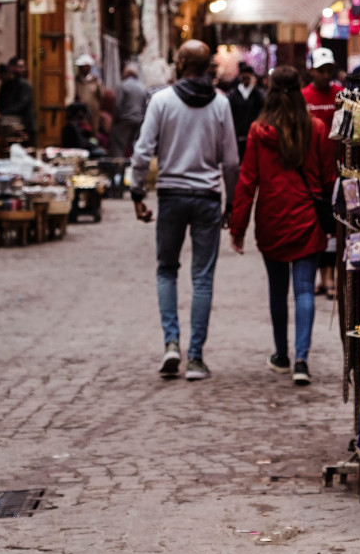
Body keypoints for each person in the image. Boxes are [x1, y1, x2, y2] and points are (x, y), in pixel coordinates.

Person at [130, 40, 239, 382]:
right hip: (207, 197)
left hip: (172, 196)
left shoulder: (161, 101)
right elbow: (232, 160)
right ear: (207, 66)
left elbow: (143, 149)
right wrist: (231, 201)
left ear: (178, 63)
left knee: (166, 270)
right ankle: (195, 357)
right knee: (202, 278)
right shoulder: (220, 104)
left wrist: (136, 191)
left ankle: (171, 343)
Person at [229, 65, 335, 386]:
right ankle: (302, 359)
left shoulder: (260, 131)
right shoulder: (315, 129)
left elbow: (247, 182)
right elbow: (329, 177)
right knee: (304, 290)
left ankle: (281, 354)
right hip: (307, 217)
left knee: (278, 291)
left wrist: (238, 227)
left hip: (272, 217)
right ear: (300, 89)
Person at [301, 49, 343, 298]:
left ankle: (331, 277)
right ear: (312, 70)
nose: (326, 74)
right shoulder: (304, 96)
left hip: (336, 168)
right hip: (312, 169)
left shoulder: (339, 94)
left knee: (333, 225)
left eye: (329, 69)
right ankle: (321, 276)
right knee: (317, 225)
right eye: (321, 69)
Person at [108, 63, 148, 158]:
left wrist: (114, 122)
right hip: (138, 120)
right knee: (134, 146)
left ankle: (118, 169)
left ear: (126, 73)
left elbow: (118, 105)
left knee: (118, 146)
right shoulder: (142, 88)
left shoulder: (123, 86)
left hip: (124, 120)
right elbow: (144, 106)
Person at [0, 56, 36, 145]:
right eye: (20, 67)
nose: (24, 69)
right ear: (11, 67)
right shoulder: (5, 85)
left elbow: (22, 104)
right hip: (10, 125)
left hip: (25, 125)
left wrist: (5, 112)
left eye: (23, 67)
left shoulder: (24, 85)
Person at [227, 61, 264, 157]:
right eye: (244, 77)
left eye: (248, 77)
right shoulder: (233, 94)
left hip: (254, 134)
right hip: (237, 134)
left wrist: (254, 88)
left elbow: (263, 106)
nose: (245, 80)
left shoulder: (257, 94)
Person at [74, 55, 102, 130]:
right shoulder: (76, 81)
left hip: (93, 113)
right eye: (80, 67)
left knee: (93, 131)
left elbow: (101, 96)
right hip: (79, 113)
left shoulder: (95, 81)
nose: (80, 69)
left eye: (83, 66)